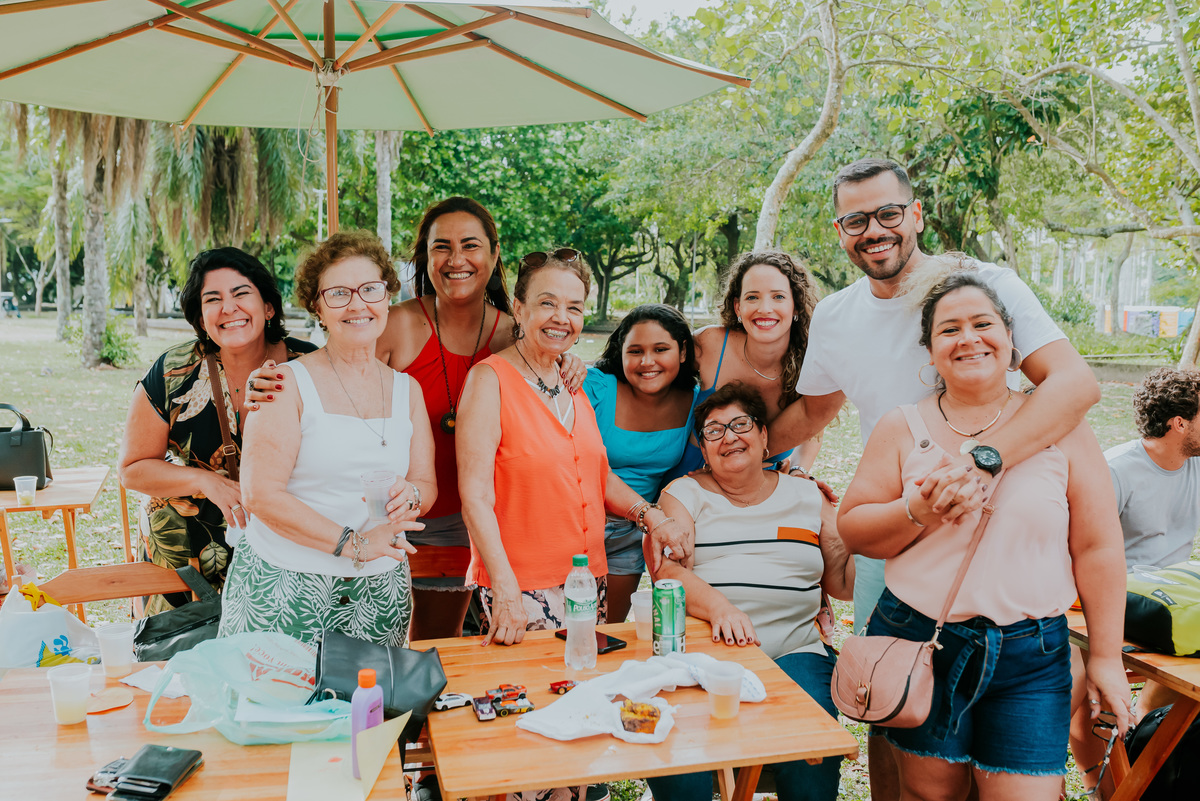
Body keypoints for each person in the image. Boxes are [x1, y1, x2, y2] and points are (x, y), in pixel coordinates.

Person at [767, 158, 1100, 799]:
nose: (874, 230)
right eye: (855, 220)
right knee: (893, 702)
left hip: (998, 534)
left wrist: (981, 462)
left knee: (1004, 758)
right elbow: (813, 411)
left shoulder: (983, 286)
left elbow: (1075, 384)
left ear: (916, 214)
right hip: (893, 534)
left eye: (889, 213)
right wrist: (729, 454)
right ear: (839, 231)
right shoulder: (836, 315)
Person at [838, 271, 1130, 801]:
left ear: (1011, 340)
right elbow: (854, 530)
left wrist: (1107, 657)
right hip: (921, 640)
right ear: (930, 352)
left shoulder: (1062, 425)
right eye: (949, 329)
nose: (968, 338)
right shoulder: (902, 427)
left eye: (983, 324)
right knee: (929, 795)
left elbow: (1098, 547)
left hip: (1031, 654)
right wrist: (918, 509)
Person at [256, 197, 586, 641]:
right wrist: (272, 379)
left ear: (494, 254)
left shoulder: (516, 331)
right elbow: (337, 368)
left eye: (470, 245)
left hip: (478, 516)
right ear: (424, 258)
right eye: (441, 247)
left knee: (437, 642)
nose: (456, 259)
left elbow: (549, 363)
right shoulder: (391, 322)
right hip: (388, 520)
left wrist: (568, 361)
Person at [457, 249, 691, 801]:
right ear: (518, 308)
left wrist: (650, 515)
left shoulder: (571, 381)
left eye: (575, 306)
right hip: (521, 588)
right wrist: (505, 589)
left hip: (585, 584)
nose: (561, 317)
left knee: (578, 720)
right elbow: (475, 494)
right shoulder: (490, 380)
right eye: (547, 303)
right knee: (530, 734)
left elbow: (597, 472)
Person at [218, 231, 436, 646]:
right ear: (317, 307)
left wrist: (409, 496)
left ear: (387, 296)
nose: (357, 304)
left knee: (372, 692)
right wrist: (356, 545)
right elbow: (260, 495)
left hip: (379, 593)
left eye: (370, 289)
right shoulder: (283, 385)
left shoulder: (408, 390)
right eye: (338, 293)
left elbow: (426, 484)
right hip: (285, 589)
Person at [644, 382, 854, 801]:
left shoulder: (808, 495)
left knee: (809, 750)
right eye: (714, 431)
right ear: (704, 452)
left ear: (764, 435)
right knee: (680, 764)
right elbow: (668, 570)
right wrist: (720, 608)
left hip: (794, 648)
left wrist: (865, 528)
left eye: (740, 424)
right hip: (705, 654)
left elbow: (842, 583)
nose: (729, 437)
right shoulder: (683, 494)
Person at [118, 247, 316, 615]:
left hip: (287, 548)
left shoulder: (311, 367)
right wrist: (204, 480)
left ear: (268, 307)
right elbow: (132, 469)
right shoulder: (172, 371)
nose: (228, 308)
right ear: (201, 317)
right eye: (213, 299)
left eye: (241, 293)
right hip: (182, 556)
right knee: (182, 650)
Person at [1068, 367, 1200, 795]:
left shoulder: (1195, 466)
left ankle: (1139, 752)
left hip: (1171, 607)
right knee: (1073, 697)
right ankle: (1098, 787)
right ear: (1179, 423)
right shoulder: (1116, 470)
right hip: (1105, 605)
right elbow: (1078, 552)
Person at [584, 304, 698, 625]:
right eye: (635, 351)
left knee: (609, 632)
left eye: (660, 349)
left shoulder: (694, 400)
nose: (647, 361)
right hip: (578, 524)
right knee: (563, 630)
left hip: (632, 534)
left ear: (683, 352)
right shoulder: (595, 386)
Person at [671, 251, 820, 478]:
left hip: (759, 488)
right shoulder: (710, 344)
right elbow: (655, 372)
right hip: (687, 480)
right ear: (738, 307)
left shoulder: (810, 364)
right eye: (752, 297)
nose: (765, 308)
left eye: (778, 297)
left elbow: (814, 427)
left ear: (796, 306)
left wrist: (799, 470)